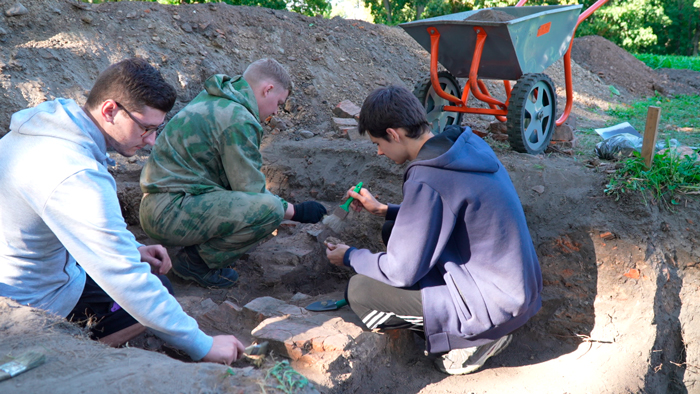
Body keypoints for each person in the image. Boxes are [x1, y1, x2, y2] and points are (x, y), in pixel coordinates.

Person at [0, 58, 245, 365]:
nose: (151, 141)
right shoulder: (75, 173)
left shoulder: (44, 133)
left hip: (17, 275)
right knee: (157, 289)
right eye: (145, 128)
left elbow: (73, 221)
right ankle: (71, 354)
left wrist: (133, 247)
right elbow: (125, 278)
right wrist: (203, 345)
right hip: (33, 303)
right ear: (110, 110)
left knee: (147, 275)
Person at [325, 85, 542, 375]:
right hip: (513, 291)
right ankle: (473, 324)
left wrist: (350, 256)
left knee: (360, 290)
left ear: (393, 134)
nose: (378, 152)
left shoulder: (427, 177)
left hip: (490, 309)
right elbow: (451, 214)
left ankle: (471, 342)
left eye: (378, 142)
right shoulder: (462, 148)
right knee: (394, 228)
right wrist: (384, 210)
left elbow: (400, 271)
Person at [139, 58, 326, 289]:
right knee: (271, 209)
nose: (276, 111)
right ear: (267, 89)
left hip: (160, 206)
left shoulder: (214, 99)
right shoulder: (238, 118)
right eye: (278, 102)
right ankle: (195, 263)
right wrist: (297, 211)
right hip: (170, 213)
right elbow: (251, 192)